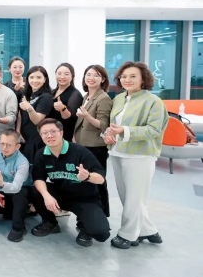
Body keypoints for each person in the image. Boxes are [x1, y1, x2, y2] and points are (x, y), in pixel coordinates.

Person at [104, 61, 168, 250]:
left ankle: (128, 234)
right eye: (123, 76)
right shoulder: (119, 99)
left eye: (133, 76)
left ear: (143, 79)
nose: (127, 80)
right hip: (117, 152)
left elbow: (154, 130)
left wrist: (124, 130)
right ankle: (148, 230)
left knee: (134, 198)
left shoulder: (153, 101)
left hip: (140, 156)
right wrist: (108, 134)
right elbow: (113, 125)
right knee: (128, 196)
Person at [30, 119, 109, 247]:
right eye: (45, 133)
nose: (49, 135)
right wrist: (46, 196)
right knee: (35, 189)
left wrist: (87, 176)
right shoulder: (41, 154)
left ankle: (84, 225)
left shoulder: (79, 151)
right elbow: (38, 178)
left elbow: (101, 178)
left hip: (85, 198)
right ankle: (50, 222)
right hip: (61, 195)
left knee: (101, 233)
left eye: (53, 131)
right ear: (41, 136)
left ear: (61, 132)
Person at [74, 64, 113, 217]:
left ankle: (102, 213)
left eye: (96, 75)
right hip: (83, 144)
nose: (91, 78)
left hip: (95, 147)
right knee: (85, 181)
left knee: (98, 181)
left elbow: (103, 125)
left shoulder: (103, 98)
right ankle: (88, 214)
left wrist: (87, 116)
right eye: (88, 75)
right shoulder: (87, 96)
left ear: (103, 79)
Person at [0, 129, 33, 242]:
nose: (4, 148)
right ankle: (14, 211)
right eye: (2, 143)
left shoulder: (22, 162)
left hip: (21, 189)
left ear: (17, 146)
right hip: (3, 188)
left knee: (20, 195)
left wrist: (1, 184)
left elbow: (16, 187)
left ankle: (18, 228)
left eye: (9, 145)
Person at [18, 66, 53, 163]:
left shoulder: (46, 97)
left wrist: (30, 108)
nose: (34, 80)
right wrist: (18, 131)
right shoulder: (26, 95)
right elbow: (20, 115)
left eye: (39, 77)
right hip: (24, 139)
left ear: (45, 79)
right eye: (31, 77)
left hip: (36, 140)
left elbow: (37, 120)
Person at [48, 63, 84, 142]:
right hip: (49, 133)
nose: (62, 77)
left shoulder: (75, 94)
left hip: (64, 135)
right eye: (59, 73)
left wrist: (62, 108)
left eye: (66, 74)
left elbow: (70, 118)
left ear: (72, 76)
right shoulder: (52, 92)